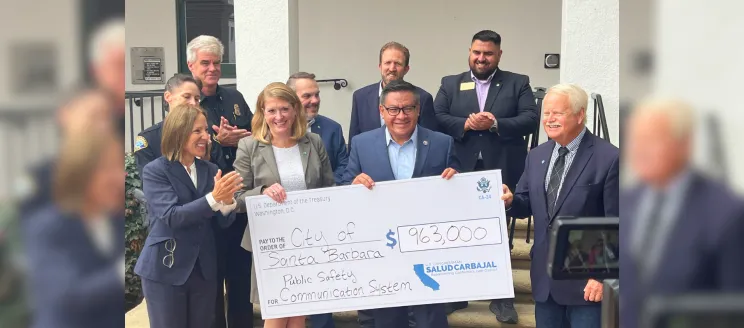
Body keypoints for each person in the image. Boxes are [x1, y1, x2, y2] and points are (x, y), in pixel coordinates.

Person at [433, 29, 539, 321]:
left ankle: (501, 297)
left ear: (499, 55)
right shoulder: (450, 83)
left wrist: (494, 122)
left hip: (501, 168)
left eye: (488, 54)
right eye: (477, 52)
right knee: (457, 233)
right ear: (469, 51)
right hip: (458, 169)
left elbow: (530, 118)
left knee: (499, 233)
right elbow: (437, 115)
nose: (481, 58)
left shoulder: (518, 82)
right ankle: (458, 294)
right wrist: (465, 124)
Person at [341, 80, 459, 328]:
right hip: (382, 250)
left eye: (408, 108)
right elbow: (345, 186)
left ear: (418, 110)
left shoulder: (442, 142)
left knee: (430, 320)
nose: (401, 115)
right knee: (387, 320)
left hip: (429, 249)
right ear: (381, 111)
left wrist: (456, 181)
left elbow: (459, 192)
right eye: (393, 109)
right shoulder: (362, 144)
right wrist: (354, 185)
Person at [501, 83, 619, 328]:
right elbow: (526, 203)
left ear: (579, 115)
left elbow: (617, 222)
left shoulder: (609, 158)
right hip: (545, 280)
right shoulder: (536, 155)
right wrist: (511, 200)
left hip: (586, 283)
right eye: (546, 113)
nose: (549, 119)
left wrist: (601, 276)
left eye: (558, 113)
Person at [620, 97, 744, 328]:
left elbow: (734, 311)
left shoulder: (726, 213)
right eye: (635, 140)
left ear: (684, 144)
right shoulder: (627, 201)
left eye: (651, 140)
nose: (639, 150)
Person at [233, 82, 335, 328]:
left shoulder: (314, 142)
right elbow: (236, 197)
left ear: (295, 110)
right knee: (277, 313)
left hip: (309, 241)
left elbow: (328, 189)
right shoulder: (249, 146)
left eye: (284, 109)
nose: (279, 117)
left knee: (299, 313)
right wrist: (263, 192)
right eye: (271, 110)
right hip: (272, 243)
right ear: (262, 113)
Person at [134, 104, 243, 328]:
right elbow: (171, 216)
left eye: (206, 131)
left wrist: (228, 202)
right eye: (198, 131)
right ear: (179, 132)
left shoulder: (211, 170)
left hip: (203, 269)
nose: (206, 137)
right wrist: (214, 198)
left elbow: (221, 222)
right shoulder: (156, 170)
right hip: (166, 266)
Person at [23, 109, 124, 328]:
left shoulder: (115, 220)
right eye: (108, 168)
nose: (119, 178)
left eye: (119, 166)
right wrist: (120, 271)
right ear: (81, 173)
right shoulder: (47, 228)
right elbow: (66, 296)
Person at [186, 35, 254, 327]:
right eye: (205, 63)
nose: (212, 68)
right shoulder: (187, 101)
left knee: (240, 279)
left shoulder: (234, 98)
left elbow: (254, 135)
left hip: (236, 201)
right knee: (210, 284)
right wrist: (217, 140)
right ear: (191, 65)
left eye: (216, 63)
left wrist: (238, 140)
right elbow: (183, 146)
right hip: (205, 203)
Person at [349, 42, 440, 146]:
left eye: (397, 63)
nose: (392, 68)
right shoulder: (361, 97)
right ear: (380, 66)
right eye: (387, 63)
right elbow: (354, 141)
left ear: (406, 69)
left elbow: (429, 142)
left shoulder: (423, 98)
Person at [134, 74, 225, 177]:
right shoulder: (149, 138)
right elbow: (149, 181)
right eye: (187, 97)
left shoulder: (207, 133)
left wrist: (205, 158)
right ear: (168, 97)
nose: (193, 103)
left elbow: (219, 172)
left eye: (197, 99)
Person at [287, 72, 349, 185]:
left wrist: (322, 192)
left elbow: (344, 166)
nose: (315, 100)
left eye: (317, 95)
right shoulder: (279, 130)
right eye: (307, 96)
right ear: (291, 99)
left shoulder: (333, 129)